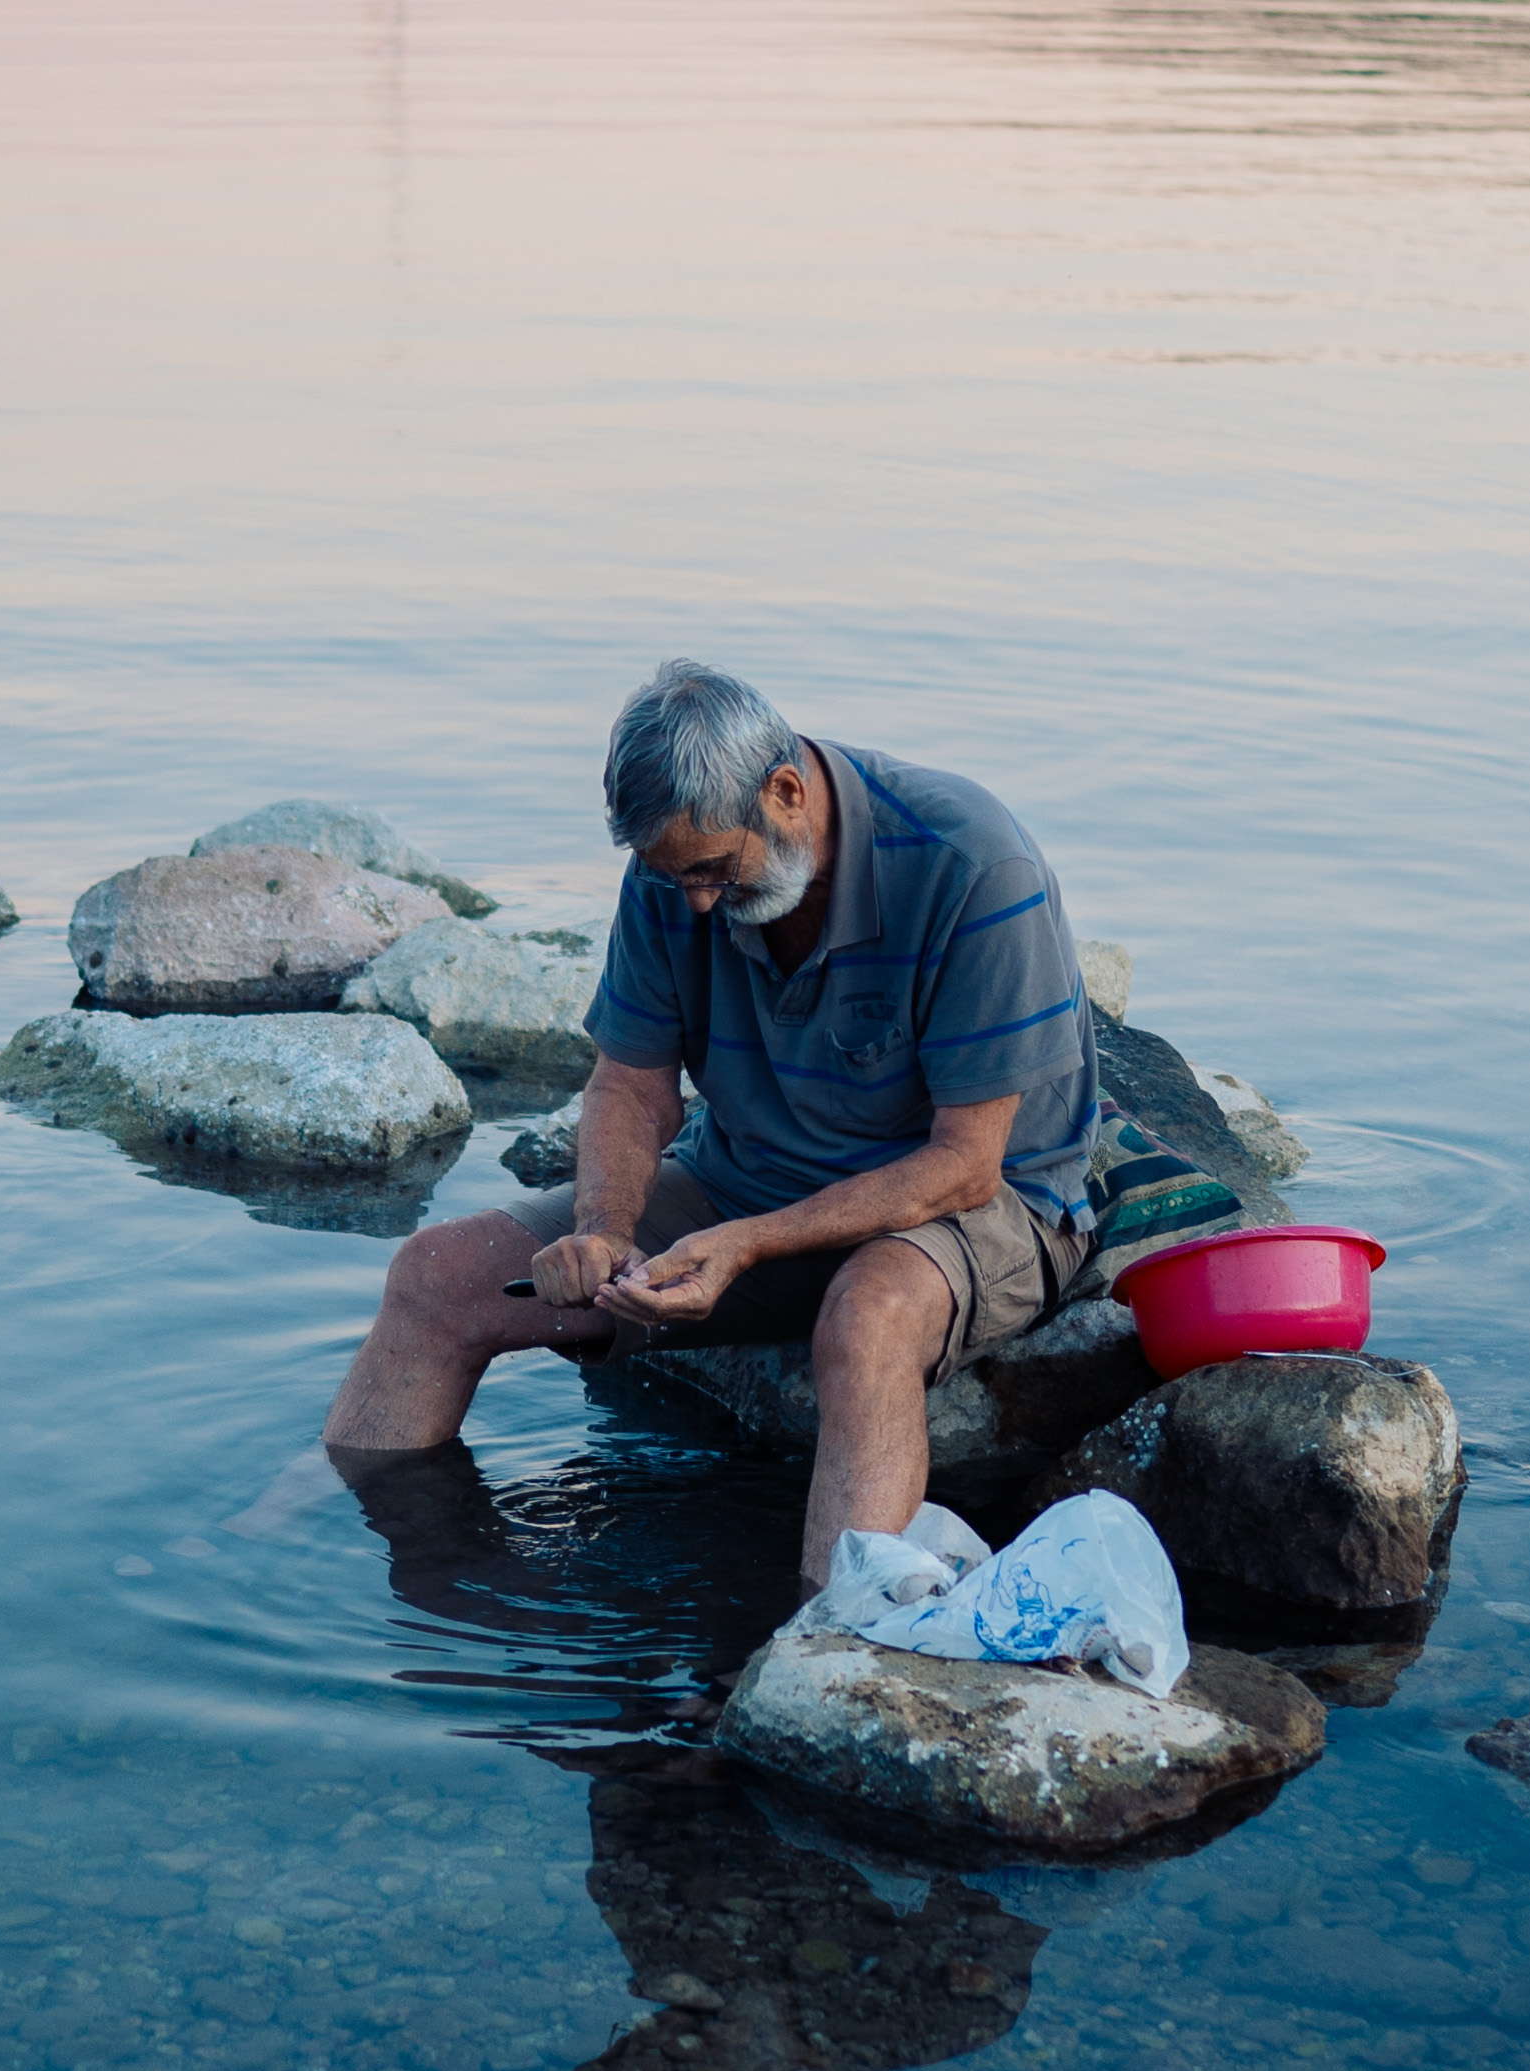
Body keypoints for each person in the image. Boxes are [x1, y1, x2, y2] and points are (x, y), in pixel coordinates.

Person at [324, 661, 1099, 1587]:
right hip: (746, 1179)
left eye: (709, 871)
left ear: (784, 792)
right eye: (669, 875)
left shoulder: (971, 863)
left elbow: (966, 1166)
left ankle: (828, 1646)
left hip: (968, 1208)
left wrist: (750, 1245)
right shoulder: (672, 870)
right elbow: (630, 1085)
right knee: (434, 1277)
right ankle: (367, 1570)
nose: (692, 900)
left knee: (866, 1319)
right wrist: (602, 1229)